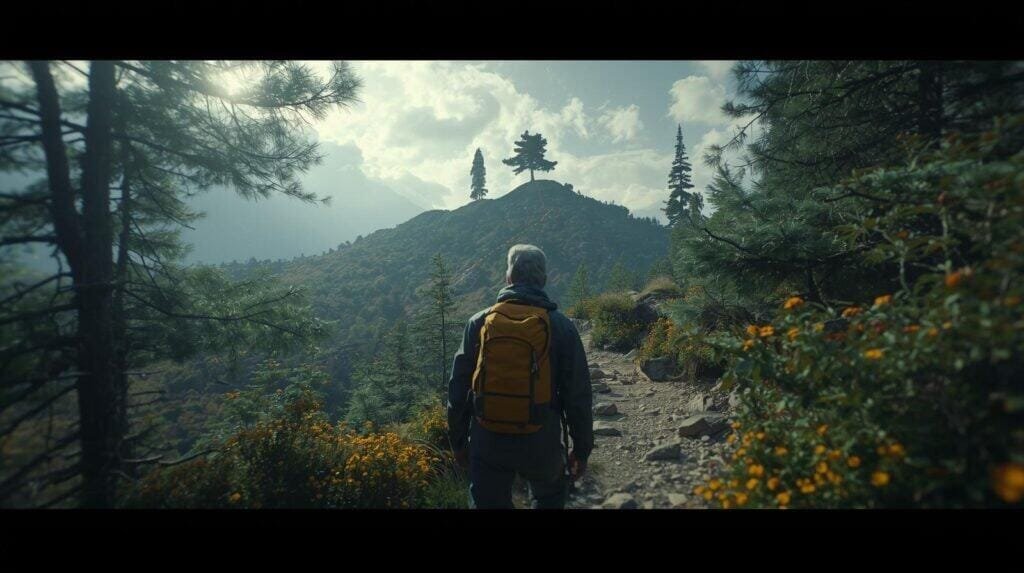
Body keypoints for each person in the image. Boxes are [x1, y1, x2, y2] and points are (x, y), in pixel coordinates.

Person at [447, 244, 593, 509]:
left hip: (487, 438)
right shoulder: (561, 326)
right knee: (548, 498)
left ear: (508, 278)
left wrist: (458, 442)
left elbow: (458, 390)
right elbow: (578, 395)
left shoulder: (479, 323)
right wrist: (582, 450)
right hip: (542, 439)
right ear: (544, 280)